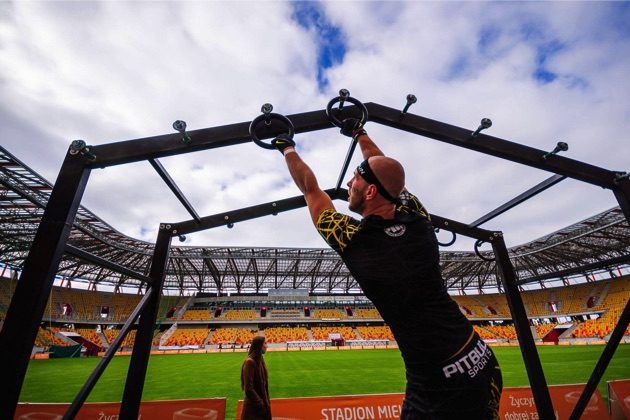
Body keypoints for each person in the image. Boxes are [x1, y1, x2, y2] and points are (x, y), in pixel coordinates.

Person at [272, 120, 503, 419]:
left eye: (354, 180)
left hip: (440, 383)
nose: (348, 185)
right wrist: (359, 132)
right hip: (480, 357)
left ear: (369, 193)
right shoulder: (418, 219)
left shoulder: (353, 239)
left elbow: (310, 188)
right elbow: (387, 175)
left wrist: (286, 147)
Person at [240, 335, 271, 420]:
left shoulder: (260, 360)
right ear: (259, 345)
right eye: (265, 343)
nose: (267, 346)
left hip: (261, 409)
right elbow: (248, 389)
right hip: (253, 410)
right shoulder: (250, 362)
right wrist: (260, 403)